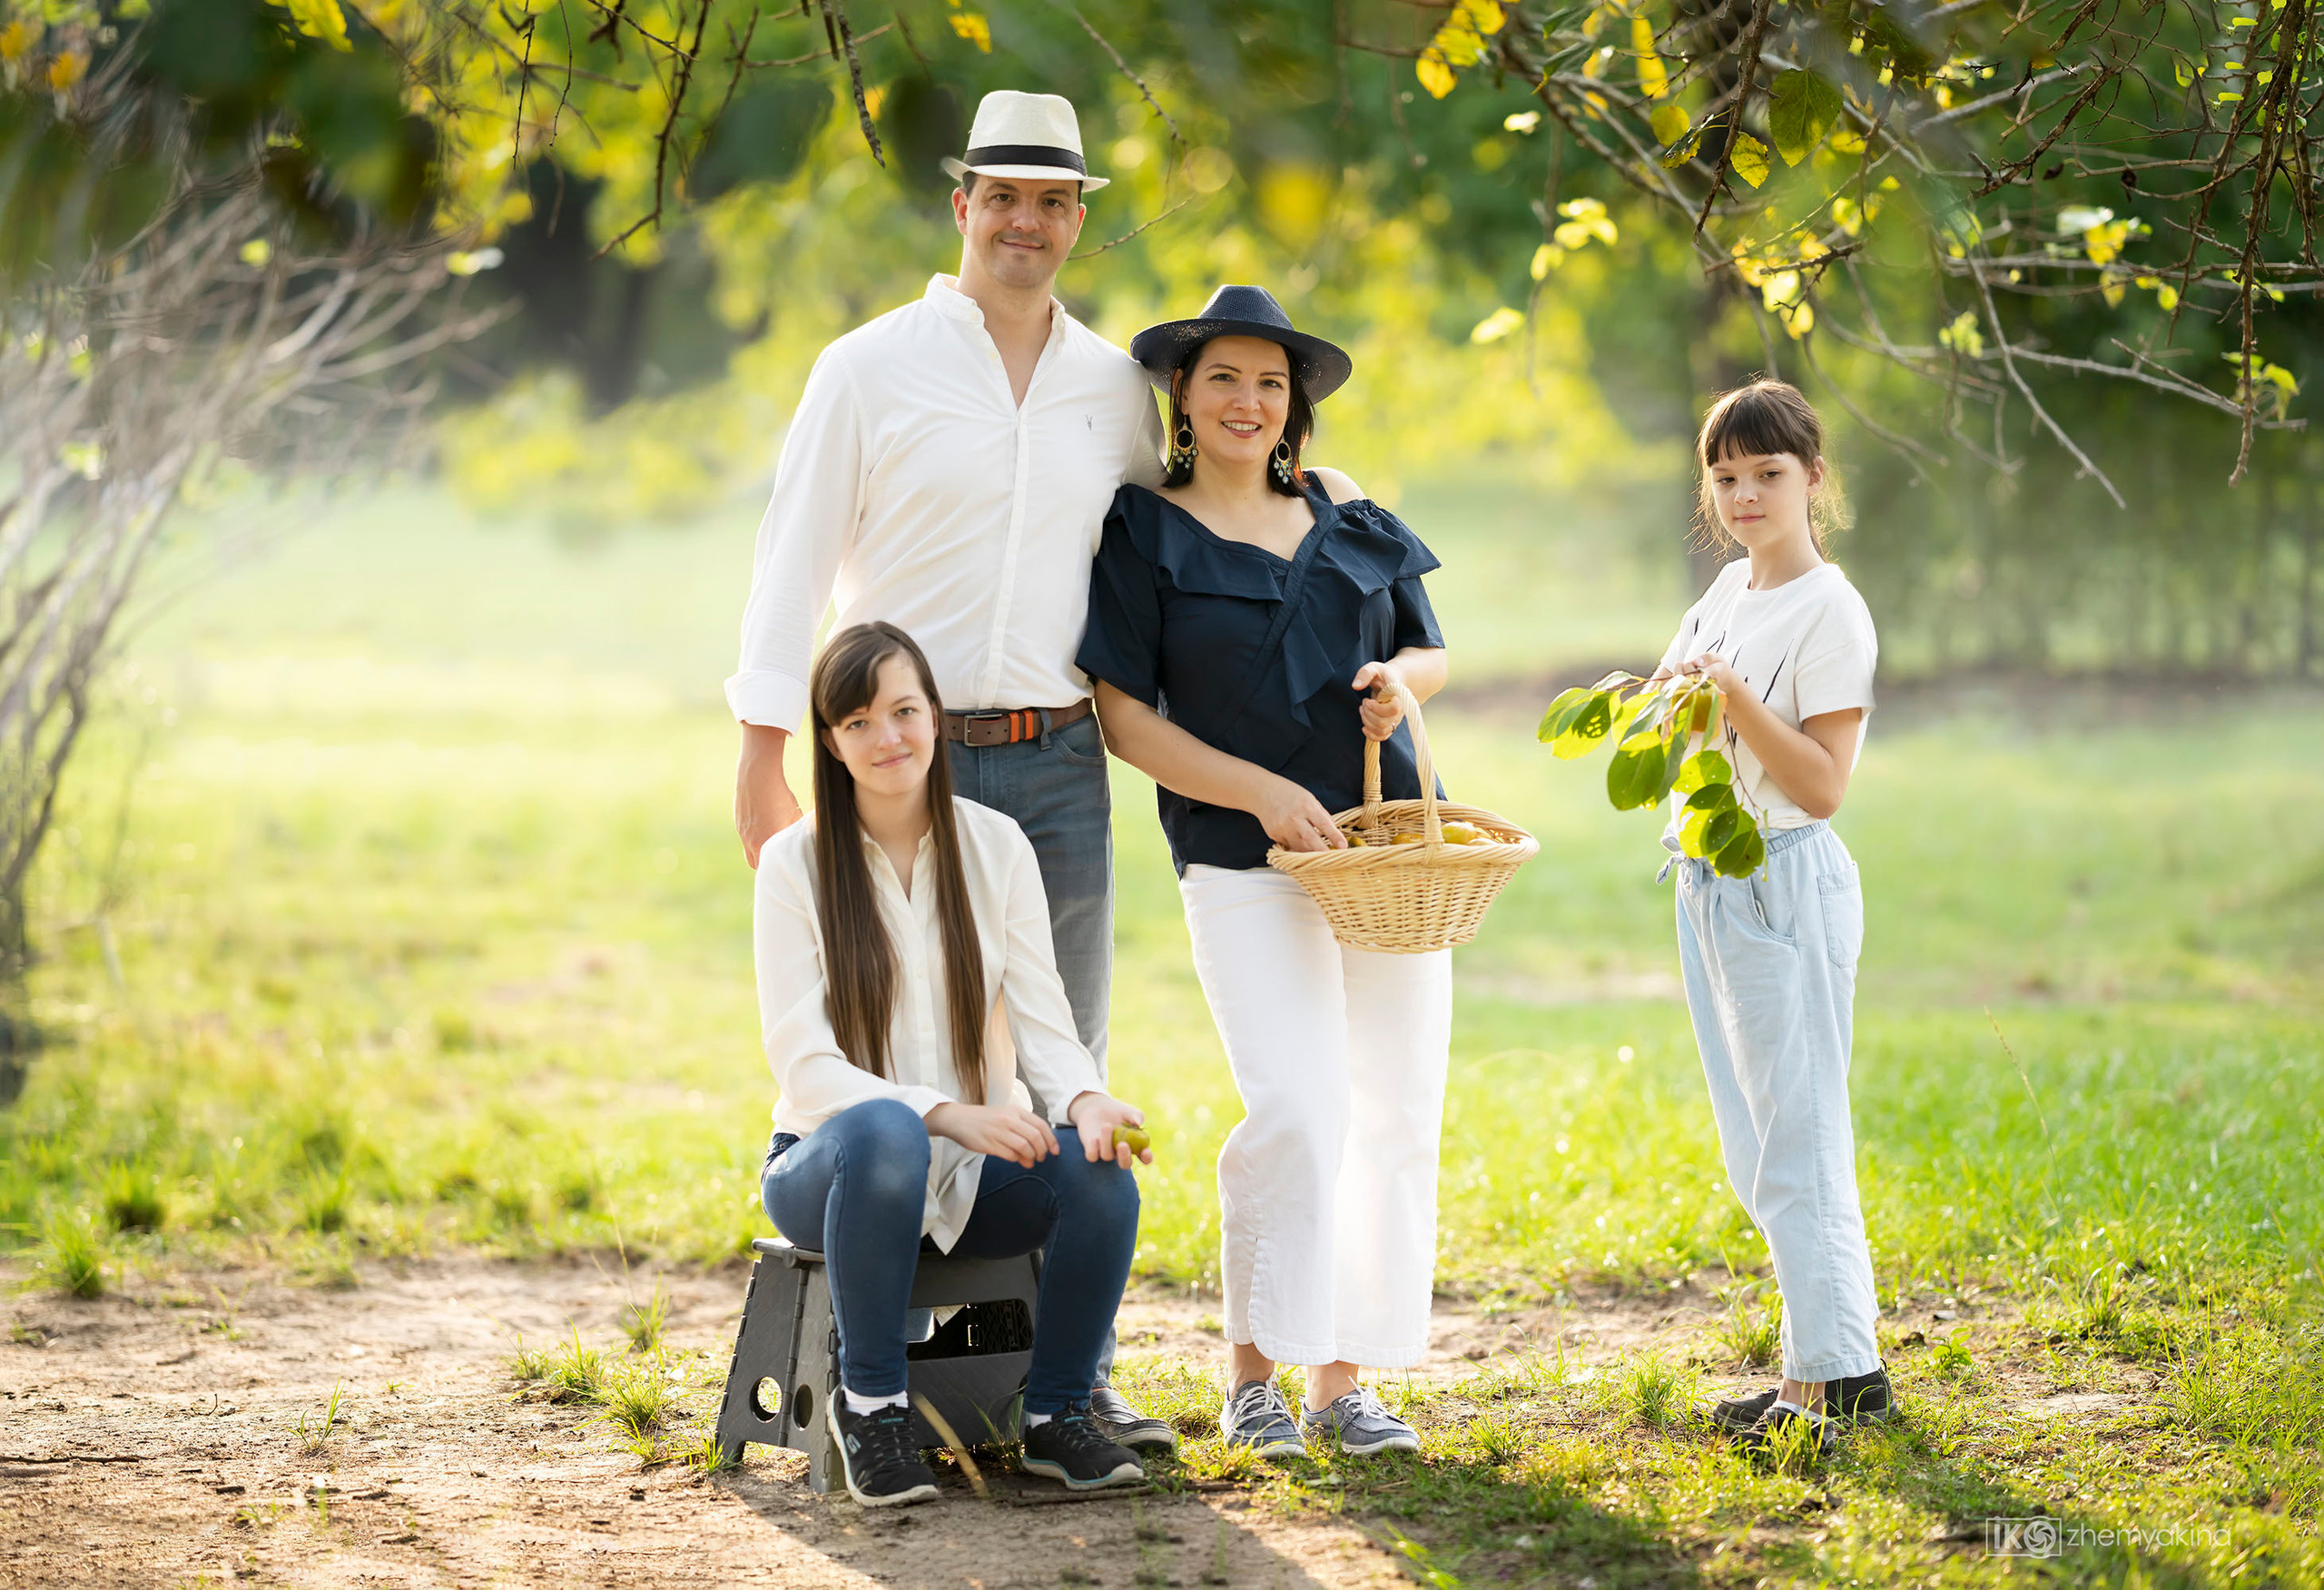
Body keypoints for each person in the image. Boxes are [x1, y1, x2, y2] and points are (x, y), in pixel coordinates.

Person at [725, 88, 1173, 1450]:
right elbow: (792, 557)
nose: (1025, 222)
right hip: (898, 740)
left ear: (1078, 218)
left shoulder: (1113, 388)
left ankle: (1063, 1378)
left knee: (1060, 1064)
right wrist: (760, 751)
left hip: (1055, 751)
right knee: (878, 1046)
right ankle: (885, 1356)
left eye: (1053, 201)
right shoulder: (868, 366)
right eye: (1002, 196)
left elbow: (1152, 574)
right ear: (962, 202)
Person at [1076, 285, 1452, 1460]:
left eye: (1271, 382)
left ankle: (1344, 1381)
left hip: (1386, 863)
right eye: (1224, 377)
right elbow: (1125, 718)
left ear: (1297, 406)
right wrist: (1259, 792)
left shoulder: (1348, 512)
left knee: (1388, 1104)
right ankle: (1254, 1375)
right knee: (1293, 1104)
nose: (1249, 400)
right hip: (1242, 857)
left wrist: (1405, 686)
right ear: (1183, 392)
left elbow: (1427, 646)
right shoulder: (1142, 528)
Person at [755, 621, 1156, 1506]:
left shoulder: (997, 844)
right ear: (828, 739)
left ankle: (1053, 1416)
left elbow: (1047, 1018)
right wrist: (945, 1112)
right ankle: (873, 1409)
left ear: (935, 716)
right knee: (887, 1127)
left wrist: (1085, 1098)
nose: (887, 736)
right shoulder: (793, 864)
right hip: (828, 1172)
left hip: (973, 1179)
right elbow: (803, 1060)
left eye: (904, 709)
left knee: (1098, 1176)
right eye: (858, 720)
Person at [1652, 380, 1893, 1453]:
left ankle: (1838, 1377)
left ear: (1813, 479)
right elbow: (1668, 724)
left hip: (1782, 876)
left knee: (1798, 1136)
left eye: (1768, 474)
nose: (1746, 495)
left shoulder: (1828, 609)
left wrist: (1736, 701)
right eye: (1727, 477)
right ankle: (1818, 1363)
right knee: (1757, 1143)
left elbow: (1823, 783)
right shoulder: (1719, 598)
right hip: (1709, 878)